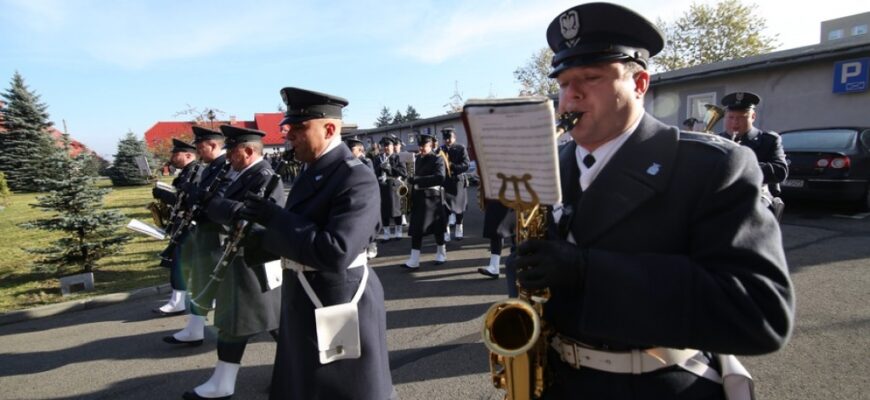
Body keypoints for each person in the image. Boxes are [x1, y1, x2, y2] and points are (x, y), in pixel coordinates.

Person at [507, 3, 795, 399]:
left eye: (590, 77)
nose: (569, 96)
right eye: (561, 83)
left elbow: (759, 314)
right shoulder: (549, 162)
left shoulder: (716, 165)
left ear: (640, 83)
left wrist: (590, 271)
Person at [237, 87, 394, 400]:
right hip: (305, 296)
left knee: (344, 388)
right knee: (305, 386)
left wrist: (274, 219)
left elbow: (335, 249)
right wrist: (260, 240)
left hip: (339, 299)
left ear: (330, 129)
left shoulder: (355, 177)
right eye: (289, 128)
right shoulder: (315, 170)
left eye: (298, 128)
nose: (288, 136)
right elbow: (304, 232)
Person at [180, 125, 284, 400]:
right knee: (241, 323)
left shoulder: (263, 176)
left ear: (249, 151)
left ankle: (301, 373)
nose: (228, 157)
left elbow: (250, 217)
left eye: (233, 151)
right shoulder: (244, 174)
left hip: (252, 262)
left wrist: (215, 205)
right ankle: (223, 382)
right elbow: (227, 209)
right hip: (239, 260)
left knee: (256, 323)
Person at [163, 125, 229, 347]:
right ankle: (194, 329)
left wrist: (197, 198)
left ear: (213, 145)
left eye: (201, 147)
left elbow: (219, 201)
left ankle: (271, 327)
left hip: (218, 235)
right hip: (204, 232)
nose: (198, 152)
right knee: (202, 283)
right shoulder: (212, 167)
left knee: (228, 287)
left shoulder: (225, 167)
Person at [719, 91, 788, 219]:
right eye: (731, 117)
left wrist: (742, 165)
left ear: (753, 117)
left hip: (756, 194)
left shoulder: (769, 140)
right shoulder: (717, 140)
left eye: (741, 118)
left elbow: (780, 171)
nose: (735, 123)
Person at [152, 138, 199, 316]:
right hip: (181, 224)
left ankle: (179, 302)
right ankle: (177, 300)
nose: (172, 156)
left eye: (175, 153)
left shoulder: (196, 171)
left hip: (191, 225)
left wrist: (164, 195)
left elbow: (188, 201)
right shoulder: (187, 172)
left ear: (188, 155)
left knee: (181, 262)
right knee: (177, 262)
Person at [403, 133, 447, 269]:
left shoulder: (437, 159)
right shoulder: (418, 159)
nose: (421, 149)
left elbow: (440, 178)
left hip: (432, 198)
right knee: (416, 229)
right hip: (419, 198)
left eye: (424, 146)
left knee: (437, 228)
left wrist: (417, 180)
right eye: (420, 146)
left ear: (430, 145)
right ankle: (414, 259)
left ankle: (441, 253)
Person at [347, 137, 380, 259]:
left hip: (366, 196)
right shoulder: (348, 162)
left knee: (368, 222)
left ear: (360, 149)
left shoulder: (366, 161)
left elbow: (369, 178)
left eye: (352, 148)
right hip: (353, 195)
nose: (350, 151)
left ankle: (372, 246)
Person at [439, 127, 471, 242]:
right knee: (444, 209)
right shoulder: (440, 150)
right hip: (445, 183)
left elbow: (466, 165)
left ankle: (459, 229)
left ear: (454, 137)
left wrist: (453, 166)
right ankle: (446, 231)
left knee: (459, 208)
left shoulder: (460, 148)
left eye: (449, 138)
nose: (447, 140)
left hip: (458, 182)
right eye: (445, 138)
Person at [373, 136, 407, 242]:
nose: (386, 148)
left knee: (396, 210)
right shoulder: (378, 158)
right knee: (384, 211)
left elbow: (404, 173)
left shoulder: (398, 157)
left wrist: (390, 168)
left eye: (388, 145)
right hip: (382, 186)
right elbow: (373, 171)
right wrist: (380, 168)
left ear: (393, 146)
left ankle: (398, 232)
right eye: (384, 146)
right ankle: (386, 234)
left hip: (394, 185)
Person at [477, 199, 515, 283]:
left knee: (517, 227)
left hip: (517, 192)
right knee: (495, 226)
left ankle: (520, 264)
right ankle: (494, 266)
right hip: (496, 193)